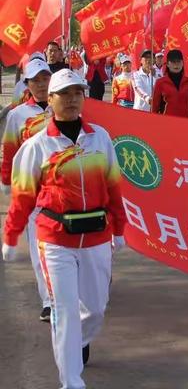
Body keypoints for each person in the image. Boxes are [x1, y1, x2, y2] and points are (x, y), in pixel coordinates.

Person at [1, 68, 126, 389]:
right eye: (65, 94)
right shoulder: (37, 146)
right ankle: (71, 381)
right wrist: (12, 235)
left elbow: (113, 187)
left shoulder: (100, 138)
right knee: (64, 310)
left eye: (77, 94)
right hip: (55, 240)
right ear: (51, 100)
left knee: (95, 309)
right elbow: (24, 197)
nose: (72, 100)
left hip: (97, 236)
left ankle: (76, 340)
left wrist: (120, 228)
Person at [1, 58, 53, 321]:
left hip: (62, 188)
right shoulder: (17, 115)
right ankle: (48, 299)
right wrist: (6, 182)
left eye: (45, 78)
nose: (42, 85)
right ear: (28, 84)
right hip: (32, 188)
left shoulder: (64, 107)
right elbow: (9, 151)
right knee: (39, 244)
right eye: (36, 80)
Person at [151, 49, 188, 118]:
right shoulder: (160, 82)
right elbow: (154, 107)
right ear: (168, 64)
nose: (176, 64)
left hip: (185, 123)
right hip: (166, 123)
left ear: (182, 63)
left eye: (178, 61)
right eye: (173, 62)